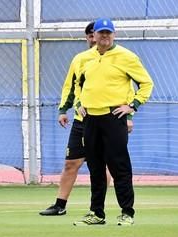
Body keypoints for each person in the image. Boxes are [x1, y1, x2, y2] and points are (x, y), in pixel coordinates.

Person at [39, 21, 134, 216]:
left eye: (97, 34)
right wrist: (63, 109)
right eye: (91, 35)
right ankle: (60, 205)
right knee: (70, 163)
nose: (94, 38)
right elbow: (70, 87)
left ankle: (100, 207)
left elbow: (127, 89)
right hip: (83, 121)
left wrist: (129, 115)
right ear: (88, 38)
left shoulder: (119, 58)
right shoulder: (81, 60)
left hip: (108, 119)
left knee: (107, 164)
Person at [73, 18, 154, 226]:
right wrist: (79, 103)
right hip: (90, 119)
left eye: (109, 33)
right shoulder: (85, 58)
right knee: (95, 167)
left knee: (119, 166)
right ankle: (97, 213)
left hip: (113, 117)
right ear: (94, 36)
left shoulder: (126, 57)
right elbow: (78, 84)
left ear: (114, 35)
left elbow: (146, 84)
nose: (105, 37)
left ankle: (127, 212)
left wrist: (132, 106)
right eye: (101, 33)